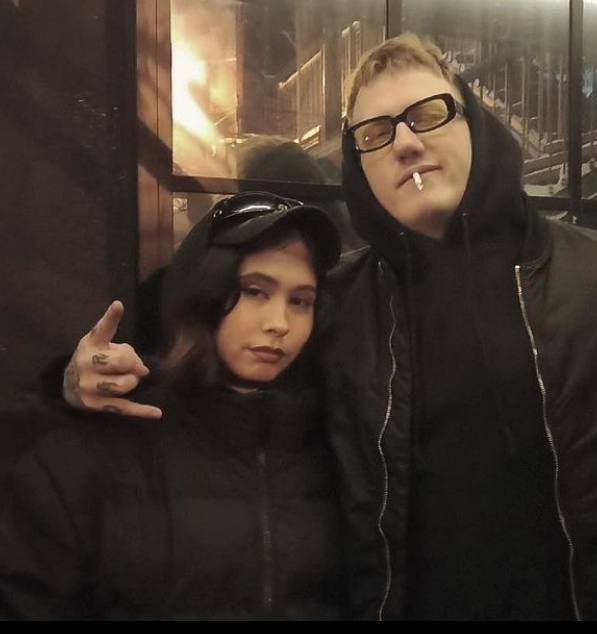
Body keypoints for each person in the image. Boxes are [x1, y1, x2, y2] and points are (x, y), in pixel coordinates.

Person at [57, 34, 597, 620]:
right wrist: (77, 375)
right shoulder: (330, 308)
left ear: (475, 124)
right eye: (375, 132)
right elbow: (200, 371)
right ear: (358, 165)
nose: (406, 141)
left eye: (428, 113)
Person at [1, 192, 345, 619]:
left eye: (300, 301)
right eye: (254, 291)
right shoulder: (111, 438)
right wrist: (61, 394)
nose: (280, 323)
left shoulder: (333, 441)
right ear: (205, 290)